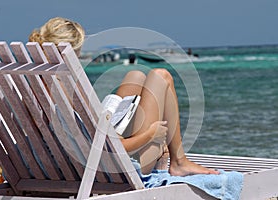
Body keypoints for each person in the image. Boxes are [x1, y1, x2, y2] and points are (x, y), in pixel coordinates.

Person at [29, 17, 219, 176]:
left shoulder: (34, 82)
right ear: (70, 50)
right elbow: (107, 148)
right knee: (162, 76)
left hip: (62, 164)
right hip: (112, 170)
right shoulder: (67, 88)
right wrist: (151, 134)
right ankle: (179, 162)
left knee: (135, 77)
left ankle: (174, 157)